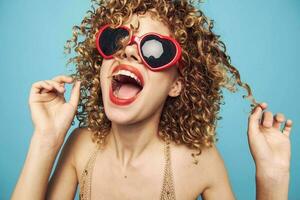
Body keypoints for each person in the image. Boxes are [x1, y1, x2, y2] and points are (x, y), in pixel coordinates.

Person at [12, 0, 293, 199]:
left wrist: (272, 178)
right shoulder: (81, 146)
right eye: (117, 40)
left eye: (155, 50)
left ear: (177, 85)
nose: (129, 52)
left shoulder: (198, 161)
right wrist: (46, 140)